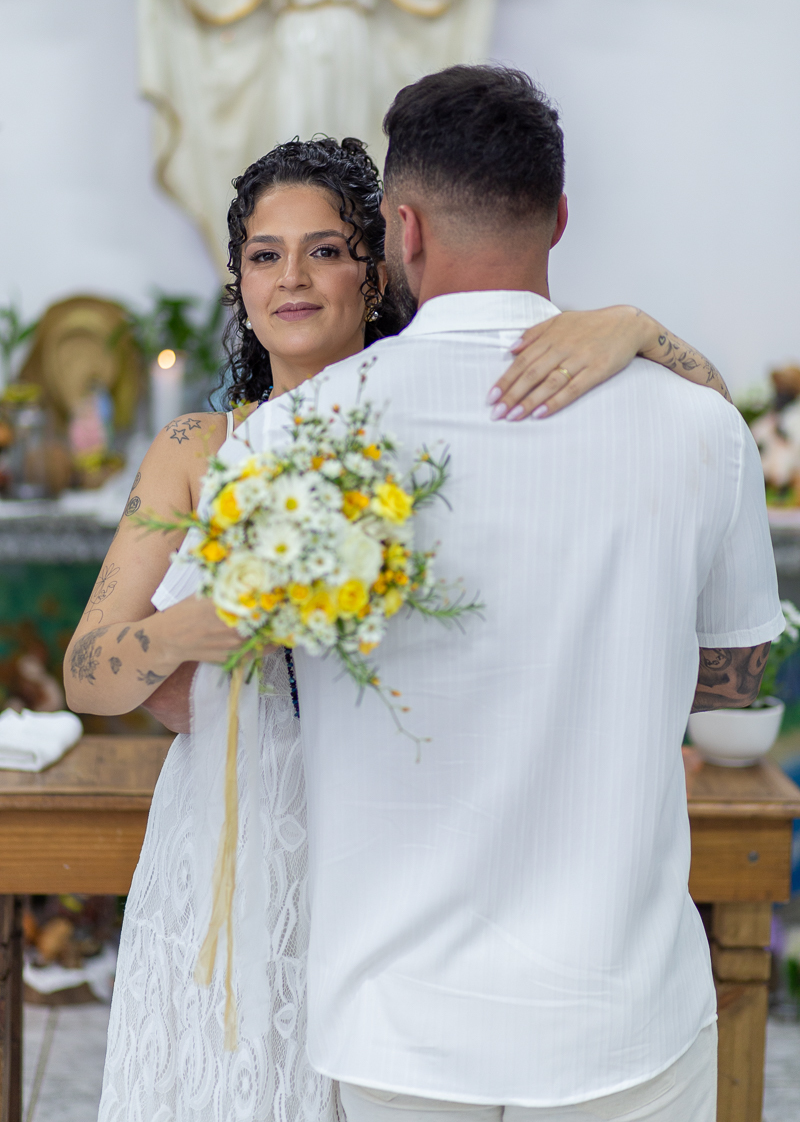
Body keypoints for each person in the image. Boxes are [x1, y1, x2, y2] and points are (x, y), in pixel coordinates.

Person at [66, 134, 735, 1122]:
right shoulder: (193, 448)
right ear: (236, 282)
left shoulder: (438, 427)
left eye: (326, 250)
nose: (291, 277)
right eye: (264, 254)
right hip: (233, 844)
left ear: (379, 266)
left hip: (403, 840)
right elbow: (89, 674)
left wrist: (634, 328)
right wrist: (202, 628)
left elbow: (705, 415)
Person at [228, 68, 783, 1122]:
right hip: (618, 1012)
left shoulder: (292, 437)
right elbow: (733, 684)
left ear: (402, 229)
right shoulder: (696, 426)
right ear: (559, 218)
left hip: (397, 1015)